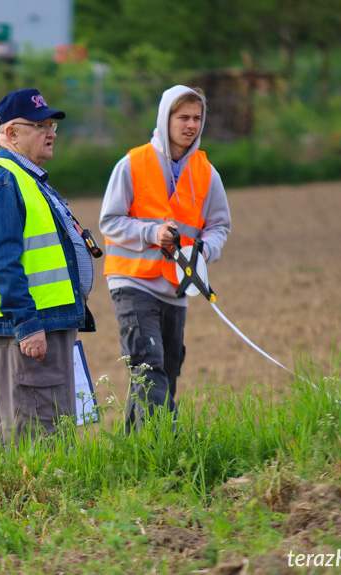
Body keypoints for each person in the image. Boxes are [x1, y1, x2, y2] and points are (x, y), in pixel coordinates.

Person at [0, 88, 97, 446]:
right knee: (35, 435)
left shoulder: (28, 178)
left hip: (47, 323)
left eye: (51, 124)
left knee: (56, 428)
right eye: (39, 125)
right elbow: (3, 261)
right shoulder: (4, 181)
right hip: (27, 329)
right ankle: (34, 502)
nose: (51, 132)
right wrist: (26, 323)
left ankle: (54, 500)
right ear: (11, 134)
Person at [99, 85, 231, 433]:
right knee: (148, 364)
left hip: (177, 287)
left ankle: (135, 456)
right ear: (165, 118)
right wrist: (151, 233)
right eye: (183, 117)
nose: (191, 125)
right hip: (131, 281)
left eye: (197, 118)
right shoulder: (132, 164)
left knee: (165, 372)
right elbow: (109, 222)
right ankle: (165, 449)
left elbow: (219, 226)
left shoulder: (206, 173)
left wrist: (204, 251)